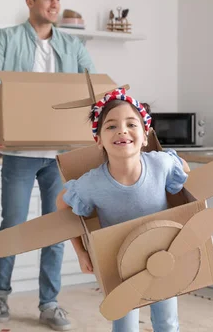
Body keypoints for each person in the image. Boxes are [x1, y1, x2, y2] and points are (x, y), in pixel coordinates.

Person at [0, 0, 96, 331]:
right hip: (19, 154)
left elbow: (94, 87)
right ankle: (0, 294)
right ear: (30, 2)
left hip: (59, 155)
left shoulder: (73, 46)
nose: (54, 4)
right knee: (12, 225)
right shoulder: (7, 39)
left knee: (57, 229)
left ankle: (49, 303)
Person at [56, 88, 190, 332]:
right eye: (111, 126)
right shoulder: (92, 183)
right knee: (124, 326)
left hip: (162, 255)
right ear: (98, 140)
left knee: (167, 323)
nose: (122, 131)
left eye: (131, 124)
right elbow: (62, 204)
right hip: (120, 263)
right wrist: (81, 252)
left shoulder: (160, 164)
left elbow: (183, 168)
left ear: (146, 135)